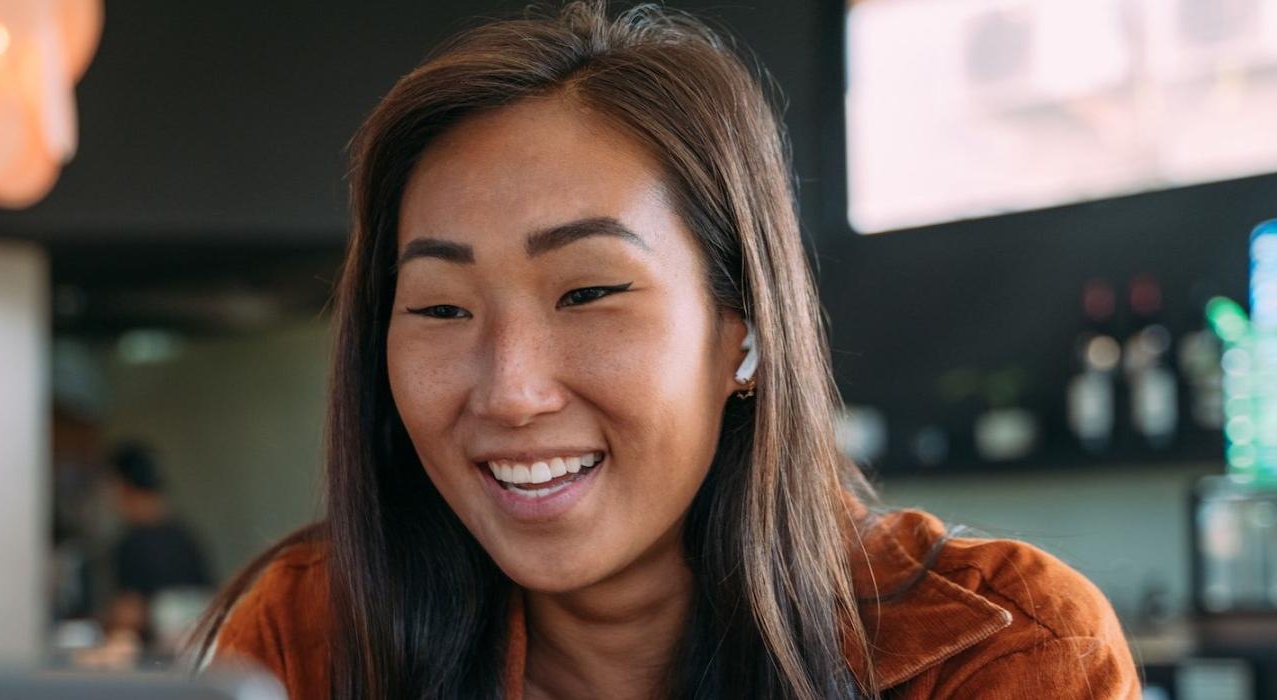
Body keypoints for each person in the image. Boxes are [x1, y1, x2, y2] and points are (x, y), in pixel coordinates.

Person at [193, 3, 1137, 698]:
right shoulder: (306, 636)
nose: (512, 390)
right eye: (441, 309)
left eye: (591, 292)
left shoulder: (1003, 652)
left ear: (745, 331)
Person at [92, 442, 212, 666]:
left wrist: (99, 625)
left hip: (155, 664)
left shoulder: (132, 543)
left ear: (121, 486)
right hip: (194, 664)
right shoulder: (186, 538)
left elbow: (130, 616)